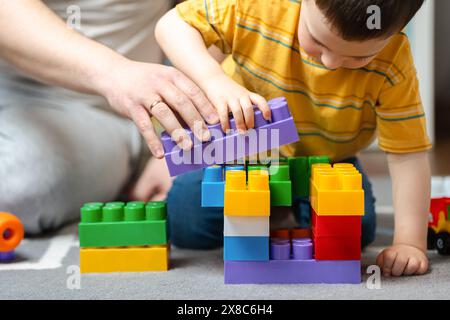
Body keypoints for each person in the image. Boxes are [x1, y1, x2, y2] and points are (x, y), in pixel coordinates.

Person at [156, 0, 431, 277]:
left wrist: (410, 243)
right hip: (242, 156)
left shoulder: (393, 60)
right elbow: (173, 25)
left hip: (327, 163)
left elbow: (407, 154)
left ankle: (283, 208)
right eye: (317, 41)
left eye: (359, 58)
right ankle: (277, 208)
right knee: (186, 223)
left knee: (355, 231)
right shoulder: (256, 8)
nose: (330, 63)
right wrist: (214, 80)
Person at [0, 0, 219, 234]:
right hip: (22, 84)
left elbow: (215, 18)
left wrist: (178, 141)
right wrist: (113, 72)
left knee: (18, 183)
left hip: (93, 110)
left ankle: (132, 157)